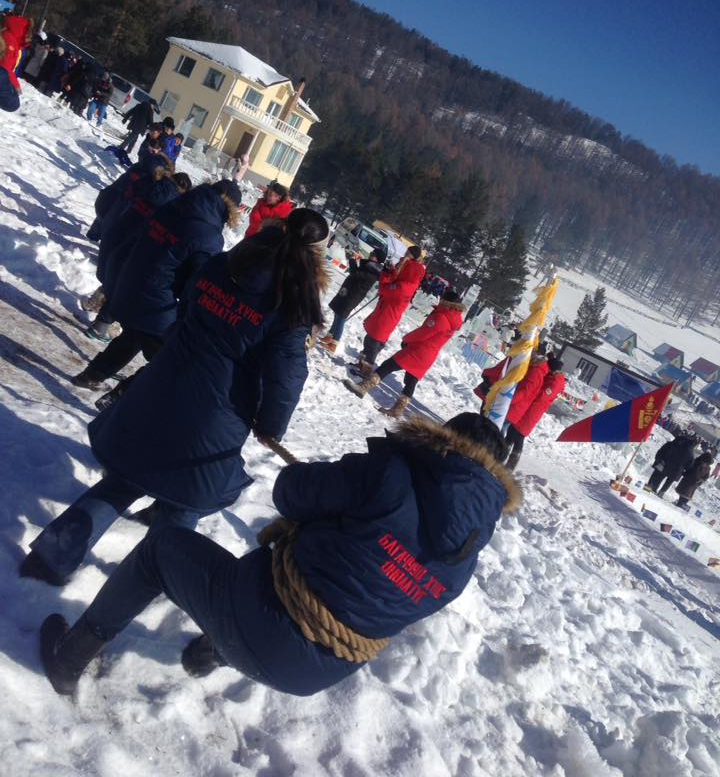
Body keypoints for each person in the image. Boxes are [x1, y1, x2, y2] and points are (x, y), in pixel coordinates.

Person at [35, 411, 522, 698]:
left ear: (439, 442)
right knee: (303, 589)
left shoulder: (390, 475)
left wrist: (333, 485)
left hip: (263, 623)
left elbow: (290, 493)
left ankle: (68, 660)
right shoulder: (465, 561)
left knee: (161, 550)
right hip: (314, 676)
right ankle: (213, 652)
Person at [22, 209, 329, 597]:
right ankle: (123, 603)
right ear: (317, 255)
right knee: (184, 508)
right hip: (213, 417)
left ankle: (48, 558)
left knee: (125, 480)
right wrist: (270, 425)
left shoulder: (223, 266)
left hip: (164, 383)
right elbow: (286, 378)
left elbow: (186, 310)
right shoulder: (291, 306)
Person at [72, 180, 243, 390]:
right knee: (169, 357)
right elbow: (197, 280)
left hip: (131, 279)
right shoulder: (208, 234)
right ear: (231, 208)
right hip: (156, 296)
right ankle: (122, 396)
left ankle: (92, 375)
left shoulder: (174, 206)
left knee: (135, 334)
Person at [87, 168, 193, 341]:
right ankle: (100, 326)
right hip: (129, 246)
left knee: (114, 281)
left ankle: (97, 305)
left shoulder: (151, 185)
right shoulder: (170, 204)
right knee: (122, 286)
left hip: (114, 233)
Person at [345, 290, 465, 418]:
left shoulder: (442, 317)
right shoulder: (453, 318)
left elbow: (423, 333)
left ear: (445, 301)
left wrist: (406, 338)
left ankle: (364, 387)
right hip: (428, 355)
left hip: (418, 350)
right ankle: (398, 410)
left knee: (388, 365)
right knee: (411, 381)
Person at [356, 246, 426, 374]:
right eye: (405, 252)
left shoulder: (407, 285)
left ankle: (366, 368)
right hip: (384, 309)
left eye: (408, 254)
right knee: (370, 338)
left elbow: (386, 289)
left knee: (374, 340)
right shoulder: (403, 272)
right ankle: (362, 363)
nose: (404, 256)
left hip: (388, 314)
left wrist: (387, 277)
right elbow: (391, 280)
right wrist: (389, 271)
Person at [318, 247, 385, 354]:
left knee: (341, 316)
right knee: (337, 312)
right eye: (371, 252)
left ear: (378, 259)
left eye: (373, 254)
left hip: (354, 295)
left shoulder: (374, 271)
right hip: (348, 291)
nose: (370, 254)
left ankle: (334, 343)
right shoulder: (368, 266)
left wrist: (353, 261)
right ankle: (330, 335)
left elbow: (355, 274)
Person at [504, 357, 565, 470]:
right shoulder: (553, 377)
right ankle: (503, 455)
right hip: (529, 409)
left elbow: (544, 396)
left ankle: (510, 464)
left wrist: (534, 390)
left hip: (533, 412)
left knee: (519, 436)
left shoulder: (556, 381)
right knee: (512, 432)